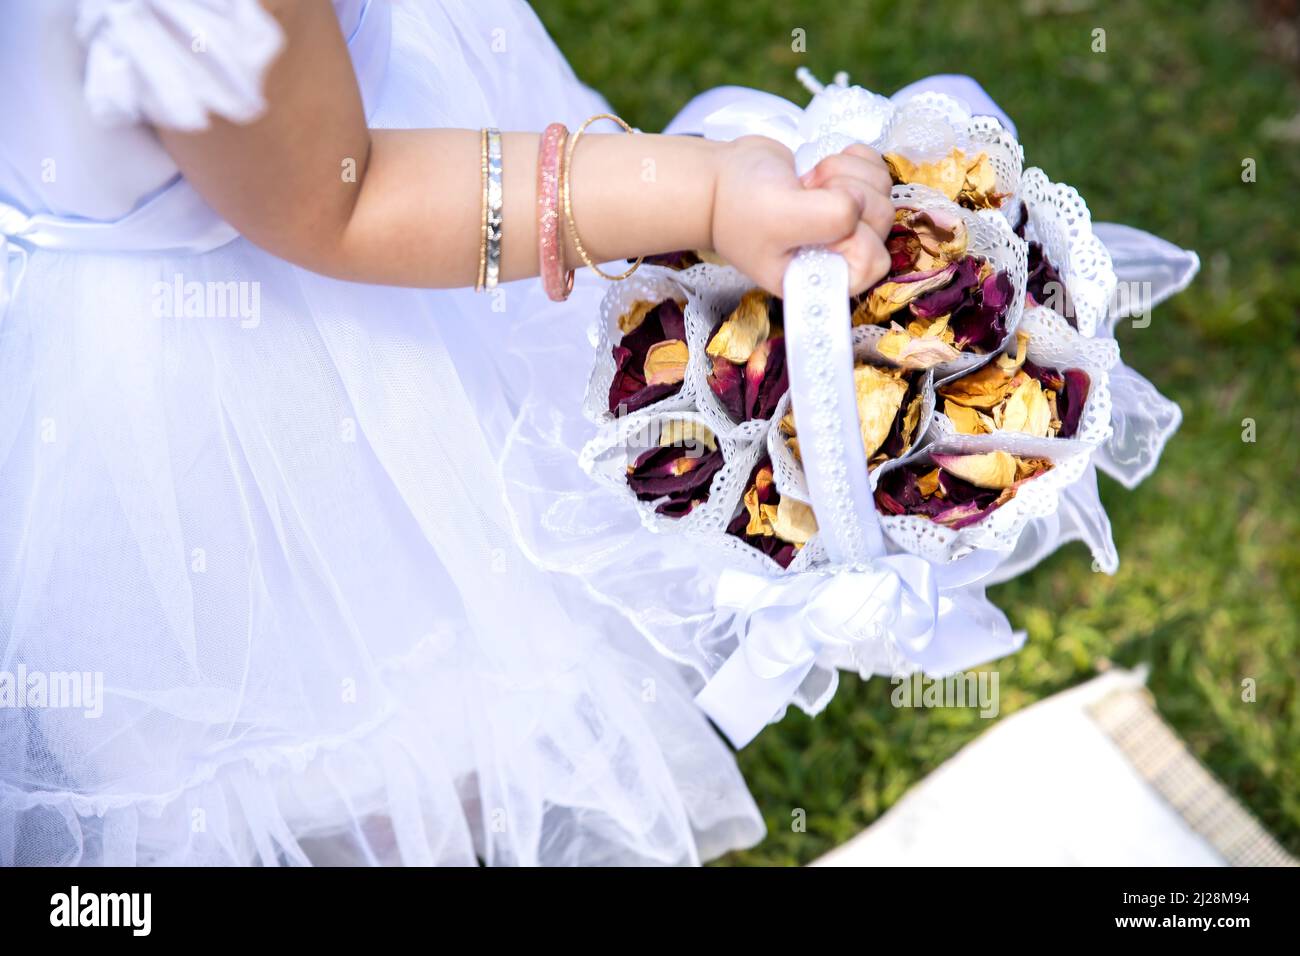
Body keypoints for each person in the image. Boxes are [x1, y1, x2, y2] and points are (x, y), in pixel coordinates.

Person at [0, 0, 901, 866]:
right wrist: (706, 195)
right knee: (367, 716)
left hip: (234, 175)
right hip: (271, 376)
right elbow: (342, 203)